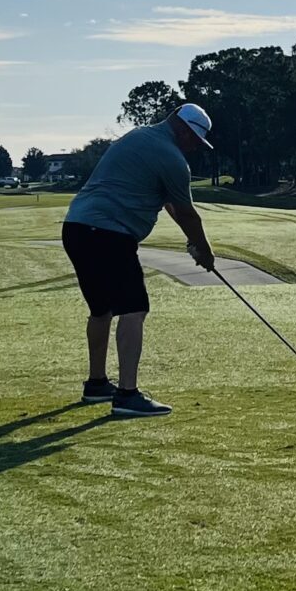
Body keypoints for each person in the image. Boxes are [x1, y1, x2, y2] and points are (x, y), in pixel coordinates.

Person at [59, 101, 219, 419]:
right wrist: (205, 250)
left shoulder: (138, 136)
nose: (194, 149)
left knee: (101, 309)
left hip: (76, 228)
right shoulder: (172, 158)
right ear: (184, 130)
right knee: (134, 309)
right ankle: (127, 395)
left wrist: (194, 244)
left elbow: (172, 206)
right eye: (195, 141)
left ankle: (96, 384)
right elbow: (188, 213)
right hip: (108, 233)